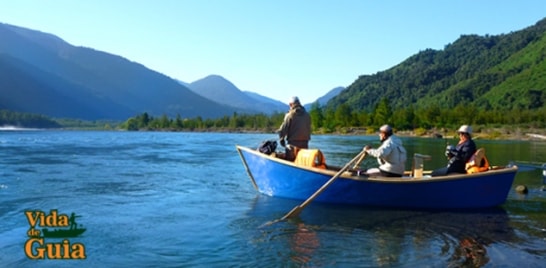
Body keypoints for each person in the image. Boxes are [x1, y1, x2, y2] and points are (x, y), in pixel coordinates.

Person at [277, 96, 311, 161]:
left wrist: (281, 139)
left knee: (290, 161)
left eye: (289, 105)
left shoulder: (290, 115)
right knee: (302, 162)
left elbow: (282, 130)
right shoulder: (307, 115)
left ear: (291, 104)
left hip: (292, 146)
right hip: (305, 146)